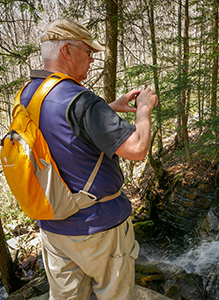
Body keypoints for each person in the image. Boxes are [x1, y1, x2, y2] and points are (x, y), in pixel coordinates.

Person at [20, 19, 158, 299]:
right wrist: (144, 109)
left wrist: (110, 108)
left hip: (54, 229)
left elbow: (60, 128)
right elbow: (138, 148)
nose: (92, 59)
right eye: (88, 51)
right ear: (67, 52)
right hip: (99, 229)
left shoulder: (29, 93)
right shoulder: (80, 100)